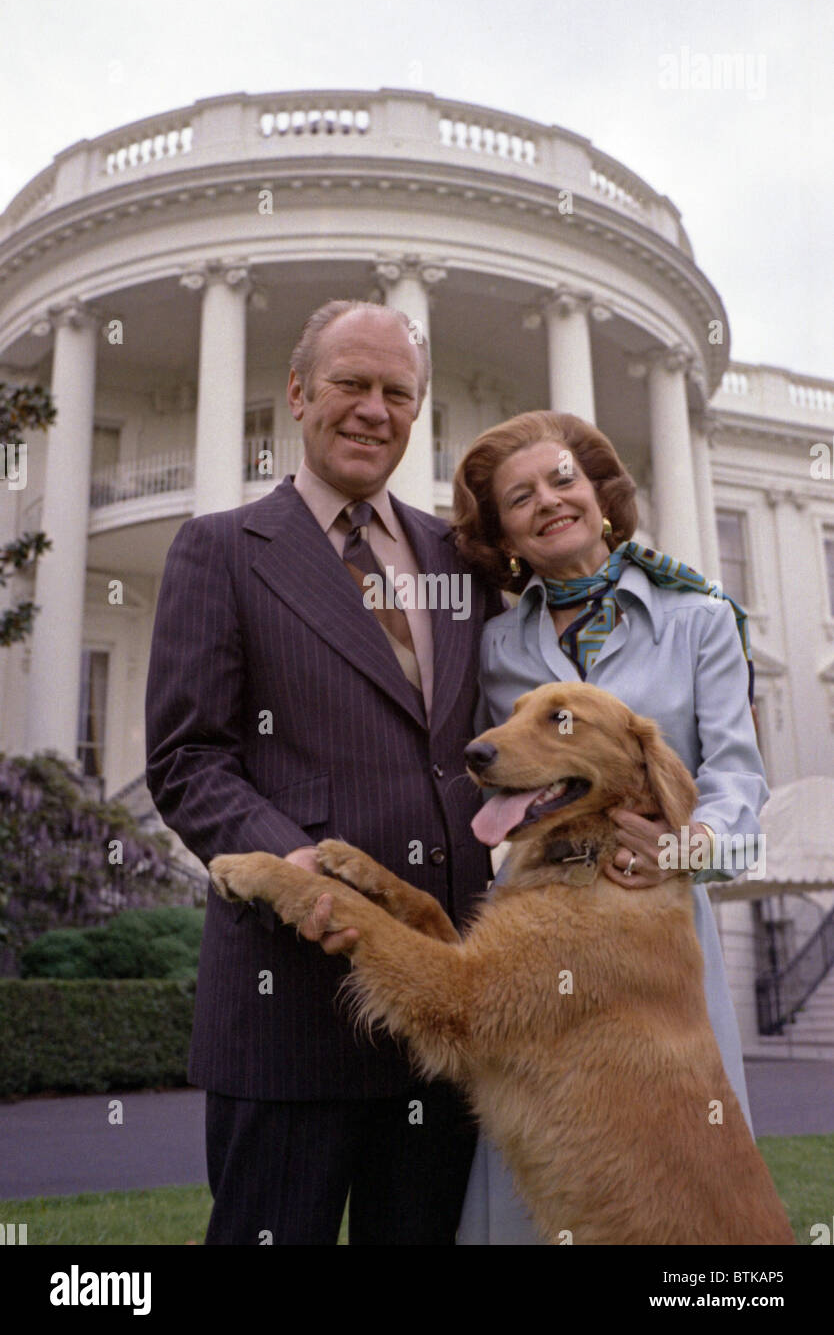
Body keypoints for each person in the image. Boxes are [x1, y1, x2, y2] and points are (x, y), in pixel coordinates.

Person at [144, 299, 501, 1245]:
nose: (373, 409)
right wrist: (293, 869)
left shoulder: (460, 562)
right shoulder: (219, 549)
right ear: (299, 395)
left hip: (438, 1005)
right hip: (289, 1000)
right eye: (351, 383)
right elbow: (188, 758)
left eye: (397, 392)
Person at [447, 408, 769, 1244]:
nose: (549, 501)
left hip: (653, 940)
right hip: (541, 933)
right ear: (505, 533)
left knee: (677, 1190)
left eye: (563, 480)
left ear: (600, 495)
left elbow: (738, 777)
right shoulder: (491, 648)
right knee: (542, 1168)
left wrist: (689, 849)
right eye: (520, 498)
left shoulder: (697, 617)